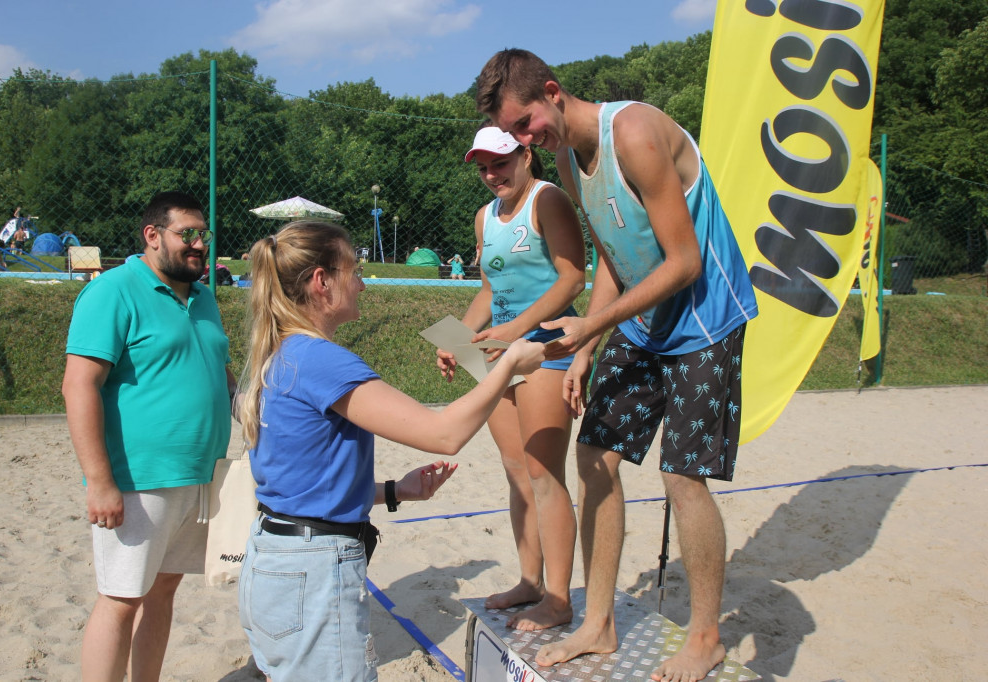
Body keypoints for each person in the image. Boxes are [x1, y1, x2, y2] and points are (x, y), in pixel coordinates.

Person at [476, 49, 759, 681]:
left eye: (525, 124)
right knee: (594, 457)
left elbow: (683, 260)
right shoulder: (566, 165)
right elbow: (613, 257)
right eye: (514, 133)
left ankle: (706, 635)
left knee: (683, 478)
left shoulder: (632, 131)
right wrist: (585, 348)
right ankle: (598, 623)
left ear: (552, 92)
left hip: (705, 318)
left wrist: (589, 326)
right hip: (640, 320)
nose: (524, 139)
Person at [238, 220, 546, 682]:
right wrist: (509, 365)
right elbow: (445, 433)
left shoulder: (282, 352)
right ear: (322, 282)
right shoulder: (322, 360)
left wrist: (392, 491)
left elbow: (299, 480)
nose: (361, 283)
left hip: (273, 561)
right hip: (312, 573)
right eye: (354, 270)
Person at [61, 190, 236, 682]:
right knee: (120, 599)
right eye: (187, 234)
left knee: (163, 590)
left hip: (201, 475)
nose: (199, 244)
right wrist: (99, 481)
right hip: (139, 477)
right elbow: (78, 386)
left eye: (203, 234)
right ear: (152, 235)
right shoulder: (113, 290)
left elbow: (219, 375)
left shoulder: (203, 298)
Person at [435, 126, 585, 631]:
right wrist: (458, 336)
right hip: (500, 350)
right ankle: (530, 581)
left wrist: (519, 330)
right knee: (516, 472)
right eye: (482, 167)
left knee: (545, 474)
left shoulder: (549, 200)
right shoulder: (485, 217)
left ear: (525, 155)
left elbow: (573, 278)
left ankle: (559, 599)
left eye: (499, 162)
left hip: (545, 348)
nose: (491, 174)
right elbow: (488, 290)